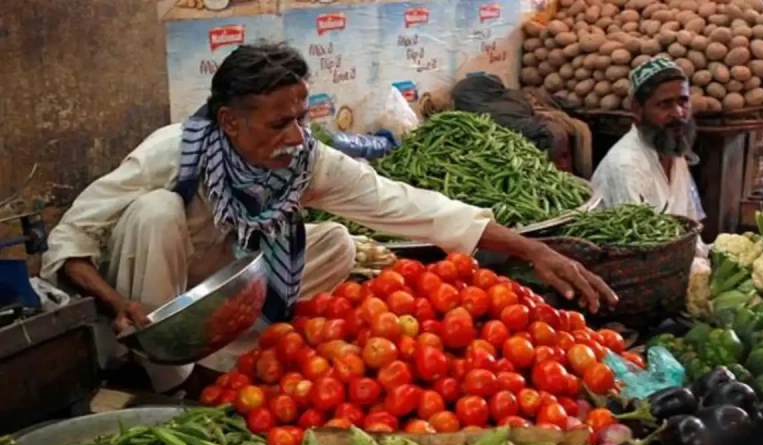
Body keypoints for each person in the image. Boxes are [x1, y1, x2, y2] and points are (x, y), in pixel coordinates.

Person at [41, 42, 617, 393]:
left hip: (223, 282)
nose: (297, 136)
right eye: (278, 124)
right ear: (230, 122)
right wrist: (120, 307)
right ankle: (172, 379)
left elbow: (408, 206)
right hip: (150, 296)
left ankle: (233, 354)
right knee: (155, 213)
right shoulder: (172, 153)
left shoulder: (304, 160)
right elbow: (69, 240)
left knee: (337, 243)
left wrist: (533, 249)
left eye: (299, 117)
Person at [591, 57, 706, 223]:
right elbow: (640, 243)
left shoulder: (673, 151)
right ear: (638, 110)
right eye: (665, 104)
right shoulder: (626, 165)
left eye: (683, 101)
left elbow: (691, 223)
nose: (679, 113)